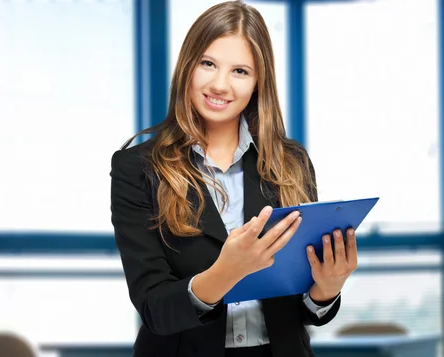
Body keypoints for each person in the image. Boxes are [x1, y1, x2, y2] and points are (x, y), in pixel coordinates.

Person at [110, 1, 358, 356]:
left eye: (240, 71)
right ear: (187, 67)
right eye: (208, 64)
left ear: (259, 82)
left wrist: (327, 288)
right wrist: (227, 272)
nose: (220, 85)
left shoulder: (291, 163)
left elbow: (302, 310)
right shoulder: (138, 168)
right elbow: (155, 309)